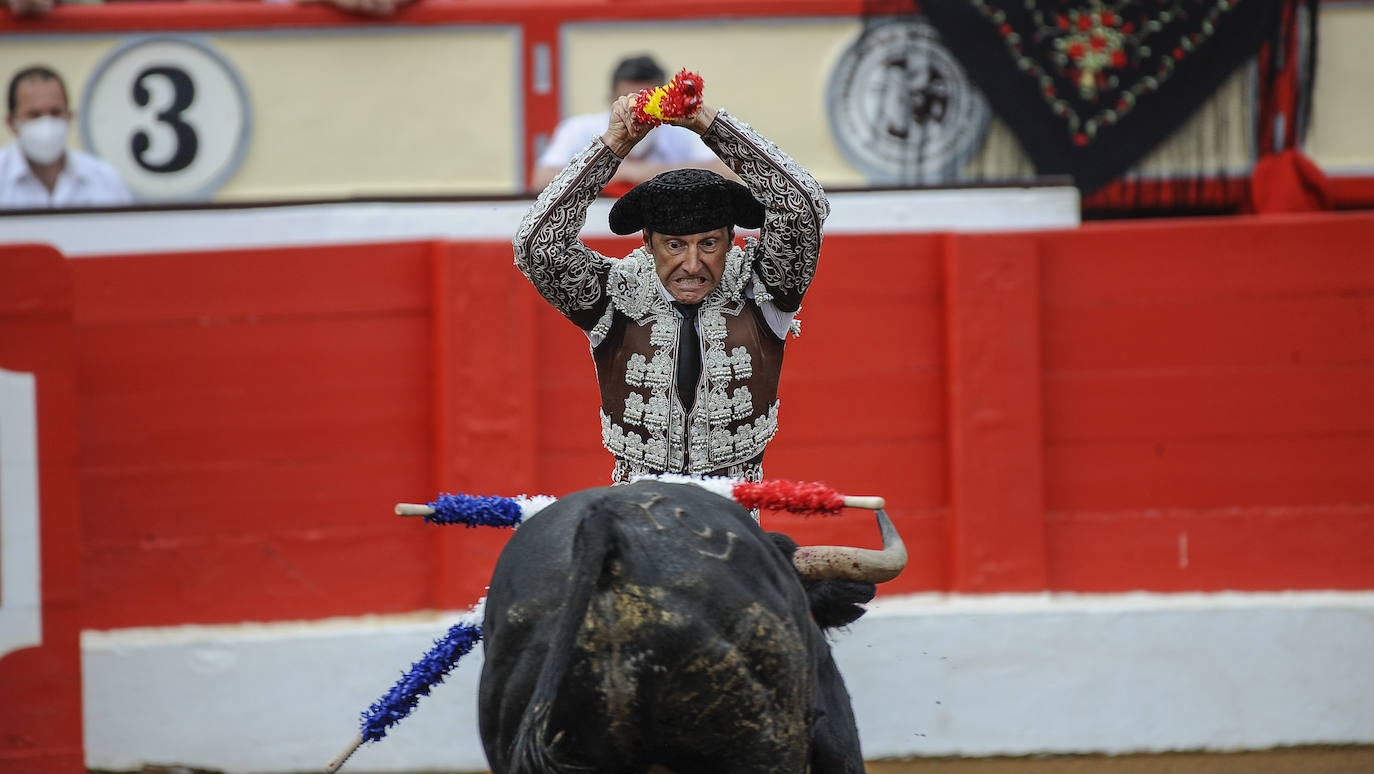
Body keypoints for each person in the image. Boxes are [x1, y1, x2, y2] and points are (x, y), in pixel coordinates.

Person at [514, 89, 829, 486]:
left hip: (732, 532)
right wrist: (614, 145)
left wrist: (710, 126)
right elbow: (537, 245)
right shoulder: (617, 294)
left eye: (709, 244)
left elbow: (804, 208)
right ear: (648, 242)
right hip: (635, 525)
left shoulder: (761, 287)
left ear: (732, 239)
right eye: (675, 245)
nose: (692, 264)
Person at [529, 54, 732, 193]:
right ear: (611, 101)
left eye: (647, 102)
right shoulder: (578, 129)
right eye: (628, 101)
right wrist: (627, 172)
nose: (637, 111)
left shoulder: (681, 130)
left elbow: (727, 174)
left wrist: (634, 172)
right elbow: (542, 180)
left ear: (664, 102)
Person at [2, 65, 133, 209]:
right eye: (34, 115)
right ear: (11, 122)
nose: (47, 123)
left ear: (69, 117)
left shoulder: (105, 179)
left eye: (55, 112)